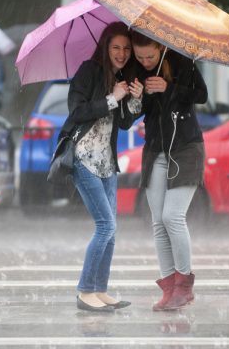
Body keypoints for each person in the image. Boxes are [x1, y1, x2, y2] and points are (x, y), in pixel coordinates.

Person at [128, 31, 208, 311]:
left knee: (172, 216)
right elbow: (135, 116)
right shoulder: (136, 70)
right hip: (155, 150)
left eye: (149, 56)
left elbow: (201, 95)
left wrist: (168, 87)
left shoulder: (182, 59)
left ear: (160, 45)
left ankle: (184, 285)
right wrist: (138, 98)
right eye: (140, 57)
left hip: (186, 148)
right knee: (157, 222)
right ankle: (169, 285)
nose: (145, 61)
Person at [66, 22, 141, 312]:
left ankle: (99, 289)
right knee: (105, 225)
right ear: (105, 47)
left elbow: (122, 122)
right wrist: (112, 98)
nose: (121, 53)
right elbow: (78, 111)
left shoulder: (121, 77)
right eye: (116, 48)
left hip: (107, 163)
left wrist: (134, 99)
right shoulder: (89, 71)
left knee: (112, 229)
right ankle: (85, 291)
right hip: (83, 159)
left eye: (126, 48)